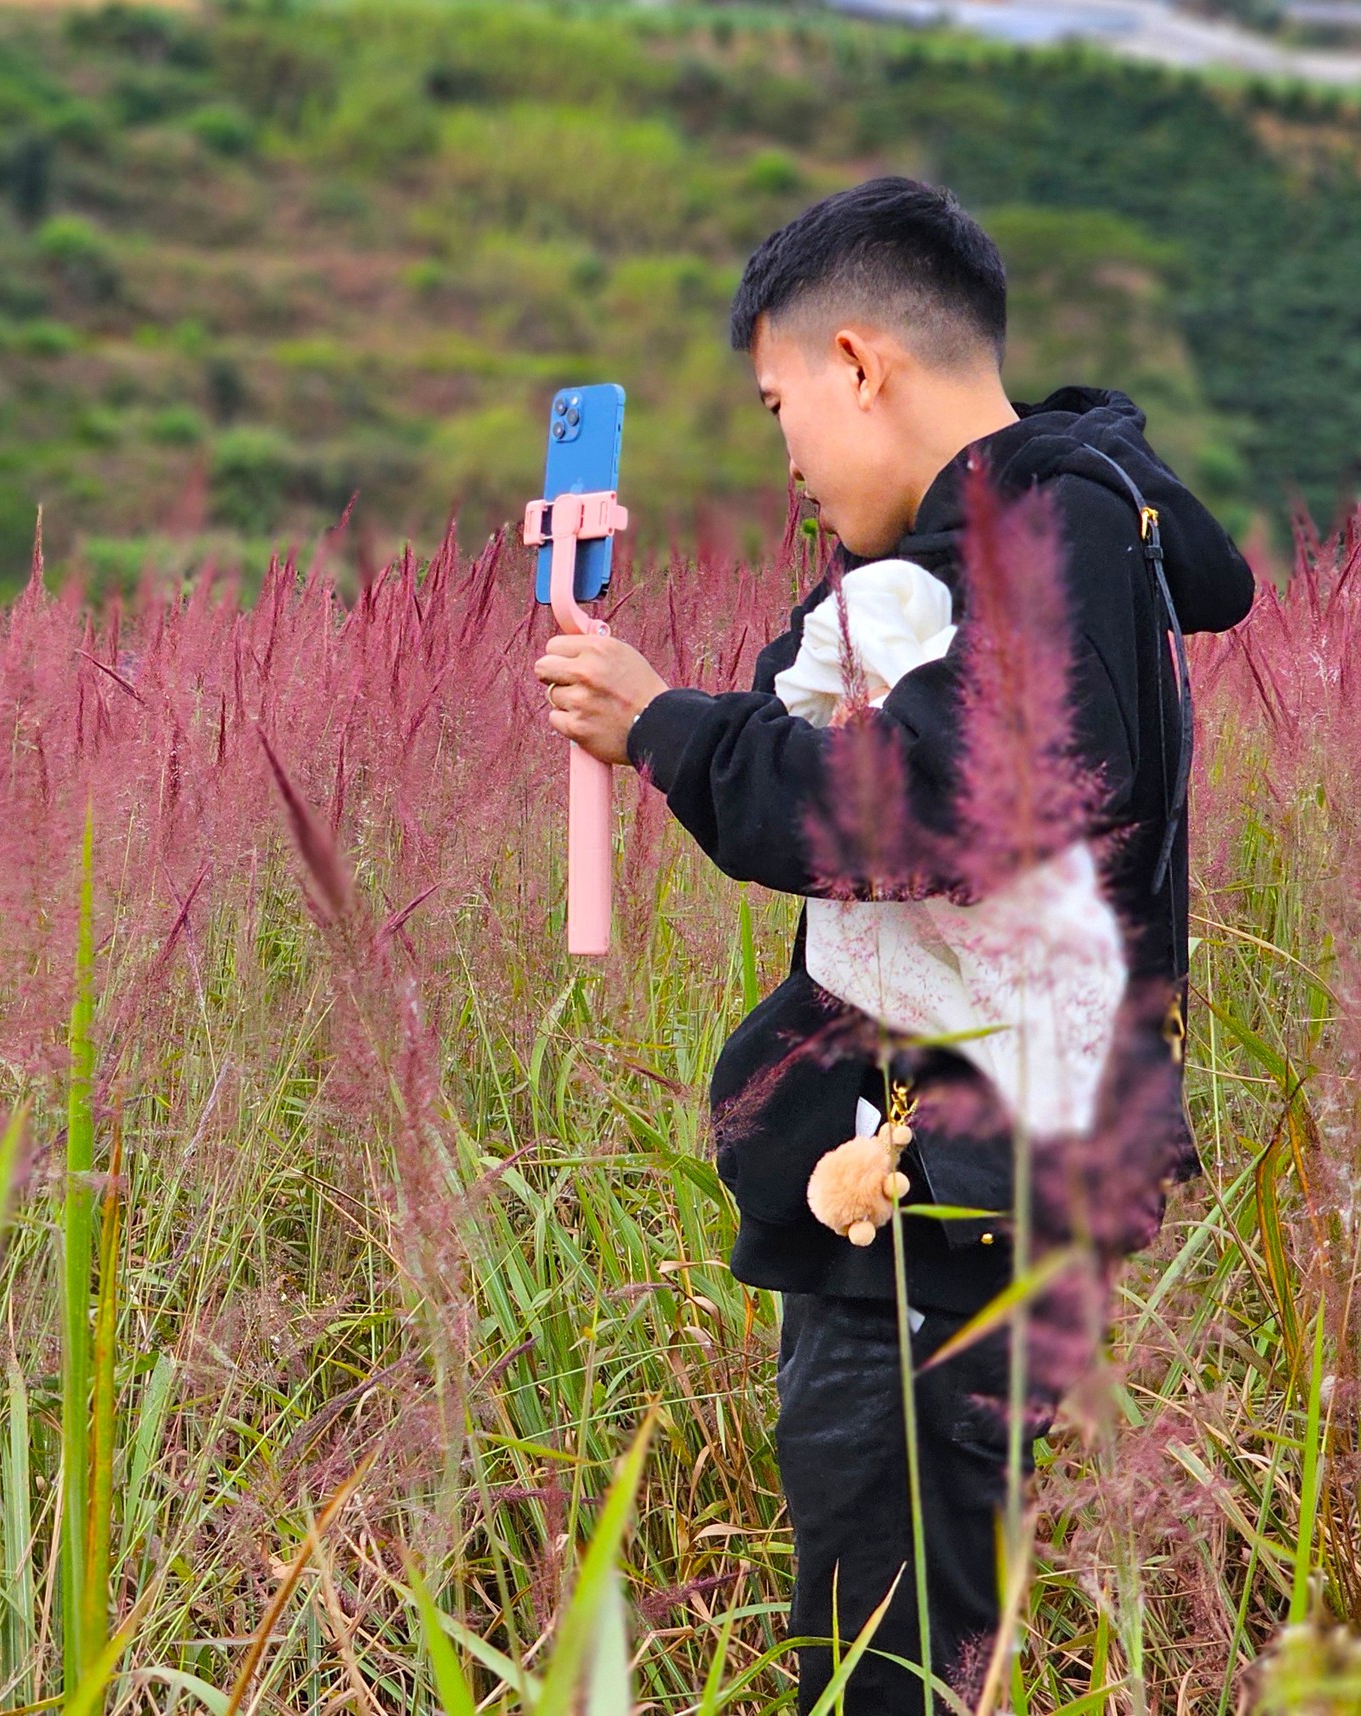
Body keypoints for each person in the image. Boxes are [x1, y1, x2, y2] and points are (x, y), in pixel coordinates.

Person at [531, 178, 1252, 1712]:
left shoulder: (1040, 531)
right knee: (919, 1645)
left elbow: (931, 799)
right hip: (951, 1197)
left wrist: (667, 727)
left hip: (947, 1215)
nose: (785, 454)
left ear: (860, 362)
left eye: (781, 402)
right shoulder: (1059, 527)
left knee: (883, 1666)